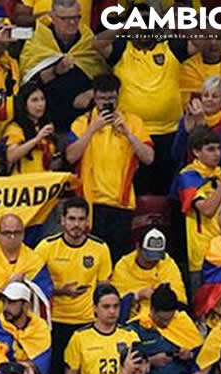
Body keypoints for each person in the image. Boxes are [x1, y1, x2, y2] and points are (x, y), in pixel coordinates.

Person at [95, 4, 193, 194]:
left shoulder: (171, 47)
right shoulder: (121, 49)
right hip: (132, 132)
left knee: (167, 188)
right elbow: (97, 43)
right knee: (136, 187)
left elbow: (203, 43)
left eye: (149, 20)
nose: (144, 26)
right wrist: (125, 25)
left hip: (169, 132)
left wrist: (179, 20)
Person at [66, 73, 154, 260]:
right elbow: (71, 156)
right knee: (91, 259)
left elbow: (149, 158)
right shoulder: (82, 123)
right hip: (90, 204)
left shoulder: (133, 122)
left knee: (118, 258)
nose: (107, 103)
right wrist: (92, 129)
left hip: (121, 202)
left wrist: (128, 134)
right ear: (94, 97)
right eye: (102, 99)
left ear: (118, 96)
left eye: (111, 98)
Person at [34, 198, 111, 374]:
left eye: (81, 219)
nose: (76, 224)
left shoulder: (100, 248)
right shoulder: (46, 247)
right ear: (62, 220)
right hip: (54, 324)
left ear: (87, 222)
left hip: (87, 324)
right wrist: (60, 291)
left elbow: (103, 289)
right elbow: (34, 286)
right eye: (72, 219)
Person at [173, 126, 221, 294]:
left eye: (218, 148)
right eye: (210, 149)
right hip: (204, 259)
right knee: (205, 310)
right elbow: (207, 210)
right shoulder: (189, 176)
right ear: (196, 152)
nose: (217, 154)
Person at [19, 0, 104, 132]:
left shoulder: (88, 41)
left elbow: (105, 79)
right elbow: (29, 83)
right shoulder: (39, 40)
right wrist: (55, 71)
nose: (71, 22)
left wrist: (91, 93)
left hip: (83, 124)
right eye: (65, 18)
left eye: (76, 17)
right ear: (52, 17)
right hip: (46, 123)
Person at [0, 214, 52, 328]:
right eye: (7, 233)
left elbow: (45, 296)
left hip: (26, 328)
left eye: (17, 233)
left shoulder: (34, 261)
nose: (12, 237)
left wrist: (26, 286)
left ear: (23, 234)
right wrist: (8, 286)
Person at [112, 228, 187, 323]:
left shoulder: (167, 264)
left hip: (163, 321)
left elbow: (180, 300)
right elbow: (114, 303)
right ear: (138, 247)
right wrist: (137, 295)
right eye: (148, 257)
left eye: (156, 258)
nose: (152, 262)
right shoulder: (123, 266)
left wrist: (161, 297)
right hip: (132, 322)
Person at [172, 76, 221, 167]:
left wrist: (201, 129)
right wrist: (185, 132)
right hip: (187, 173)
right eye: (206, 95)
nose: (209, 99)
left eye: (215, 96)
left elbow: (216, 159)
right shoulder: (190, 118)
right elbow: (176, 155)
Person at [3, 82, 56, 174]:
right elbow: (11, 156)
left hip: (43, 183)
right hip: (23, 184)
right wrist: (36, 140)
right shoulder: (15, 127)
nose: (40, 104)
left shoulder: (46, 127)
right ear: (24, 104)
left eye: (42, 99)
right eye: (34, 100)